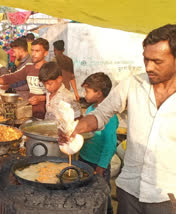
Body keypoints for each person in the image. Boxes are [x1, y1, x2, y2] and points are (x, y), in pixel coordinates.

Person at [59, 24, 176, 214]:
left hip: (166, 196)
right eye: (145, 59)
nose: (148, 67)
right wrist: (74, 128)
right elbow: (100, 114)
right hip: (129, 188)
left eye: (157, 61)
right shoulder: (133, 84)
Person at [0, 38, 49, 119]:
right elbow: (11, 77)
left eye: (37, 51)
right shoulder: (29, 67)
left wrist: (40, 98)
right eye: (32, 50)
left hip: (46, 112)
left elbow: (58, 93)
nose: (33, 54)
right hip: (30, 110)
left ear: (46, 53)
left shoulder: (50, 68)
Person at [79, 72, 118, 214]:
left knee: (102, 193)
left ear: (99, 93)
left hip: (98, 163)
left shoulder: (110, 117)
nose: (85, 94)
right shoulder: (90, 109)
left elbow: (110, 144)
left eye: (87, 91)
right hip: (84, 158)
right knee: (88, 190)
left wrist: (101, 166)